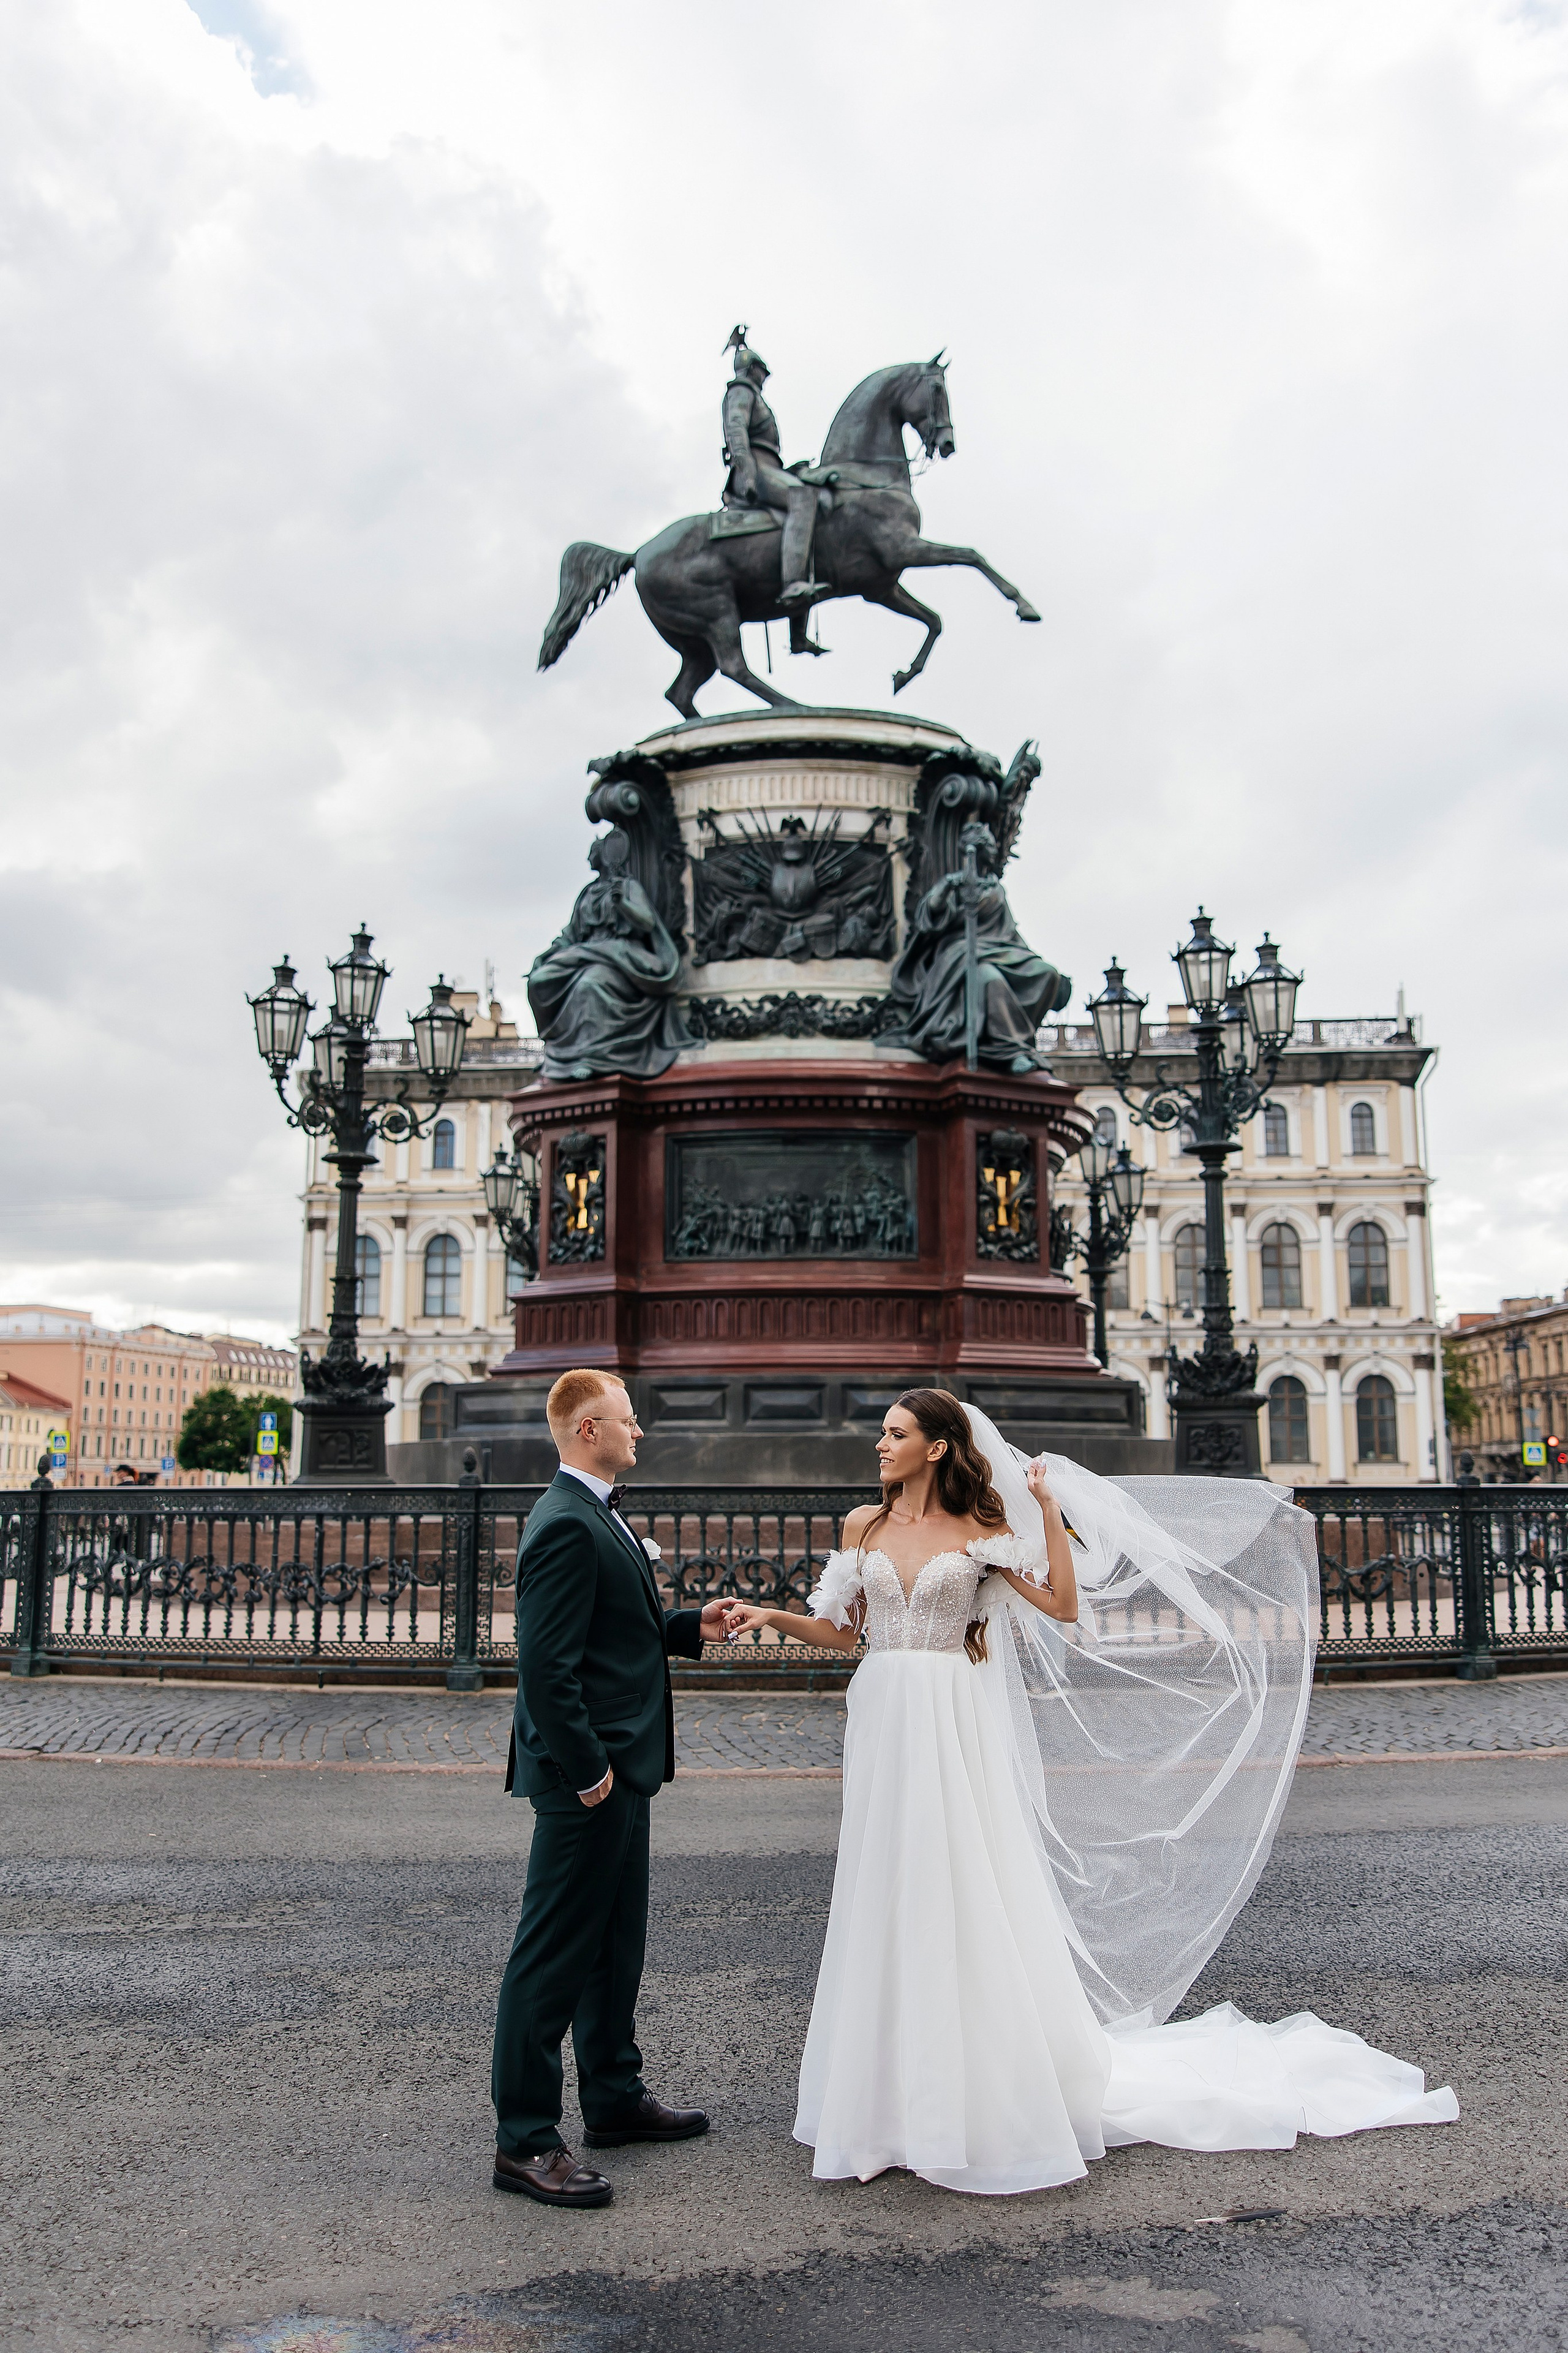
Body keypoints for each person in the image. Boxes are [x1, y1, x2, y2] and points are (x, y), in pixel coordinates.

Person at [723, 1389, 1458, 2196]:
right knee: (884, 1892)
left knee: (957, 1888)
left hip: (949, 1721)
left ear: (937, 1448)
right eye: (884, 1433)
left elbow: (1063, 1607)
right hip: (885, 1721)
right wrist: (764, 1613)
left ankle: (969, 2096)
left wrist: (1045, 1512)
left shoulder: (979, 1534)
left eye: (896, 1434)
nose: (880, 1445)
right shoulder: (864, 1524)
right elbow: (841, 1634)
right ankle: (886, 2103)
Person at [491, 1369, 731, 2208]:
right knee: (552, 1957)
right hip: (586, 1776)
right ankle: (524, 2139)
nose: (641, 1433)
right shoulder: (564, 1522)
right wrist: (588, 1771)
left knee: (612, 1945)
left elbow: (610, 1634)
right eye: (630, 1421)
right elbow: (545, 1668)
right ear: (590, 1429)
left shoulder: (594, 1512)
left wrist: (685, 1628)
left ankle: (613, 2096)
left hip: (621, 1768)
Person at [721, 327, 830, 613]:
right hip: (755, 468)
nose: (765, 377)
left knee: (809, 492)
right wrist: (745, 470)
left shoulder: (754, 395)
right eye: (762, 371)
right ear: (752, 370)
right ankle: (793, 583)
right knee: (803, 499)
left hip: (768, 466)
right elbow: (736, 429)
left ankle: (799, 628)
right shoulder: (742, 391)